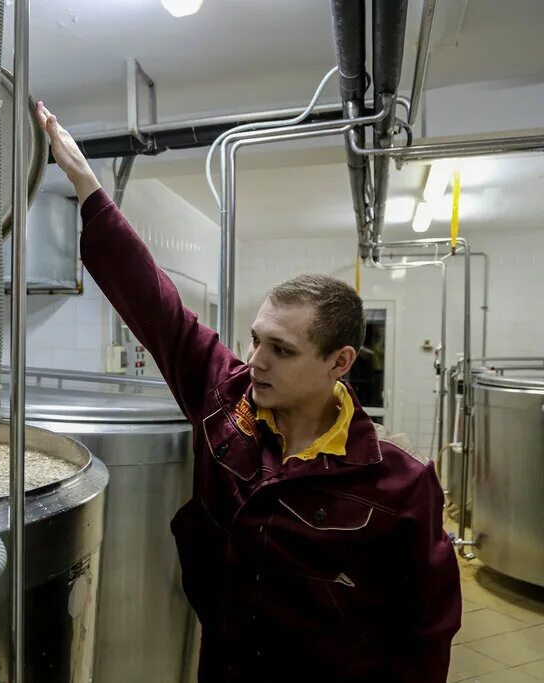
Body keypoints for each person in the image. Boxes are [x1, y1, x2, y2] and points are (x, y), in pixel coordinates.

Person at [35, 101, 461, 683]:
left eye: (281, 350)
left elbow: (427, 629)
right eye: (256, 340)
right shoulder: (225, 401)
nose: (255, 362)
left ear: (339, 362)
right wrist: (87, 186)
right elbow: (155, 306)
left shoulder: (399, 485)